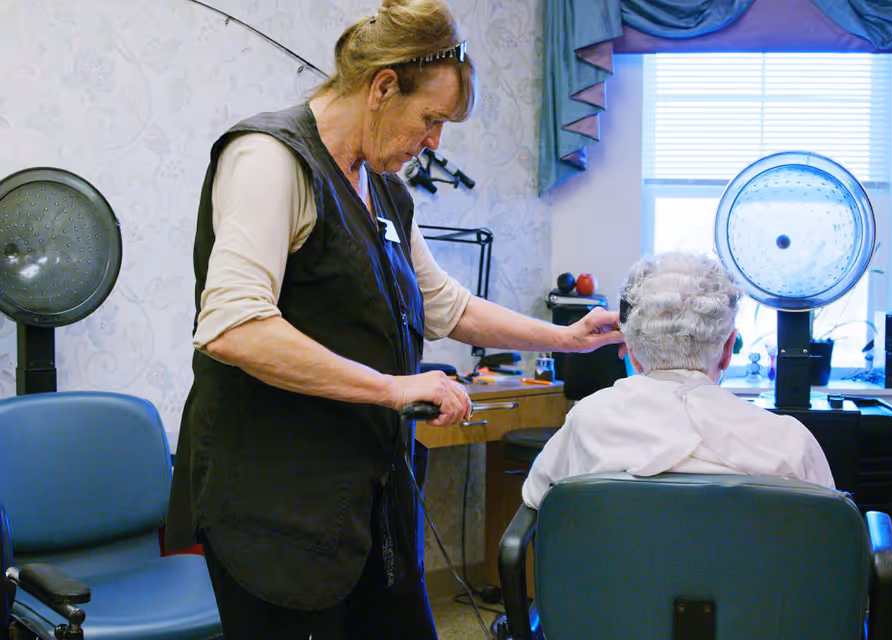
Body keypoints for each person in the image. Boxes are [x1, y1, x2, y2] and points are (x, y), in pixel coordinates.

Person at [163, 0, 621, 638]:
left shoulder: (382, 188)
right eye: (430, 119)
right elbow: (233, 326)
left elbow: (446, 306)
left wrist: (565, 337)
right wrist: (393, 388)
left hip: (368, 498)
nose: (434, 142)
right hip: (274, 504)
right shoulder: (270, 158)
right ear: (382, 88)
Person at [522, 252, 834, 509]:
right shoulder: (791, 443)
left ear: (632, 353)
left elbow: (537, 501)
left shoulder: (587, 423)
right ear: (728, 349)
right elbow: (828, 538)